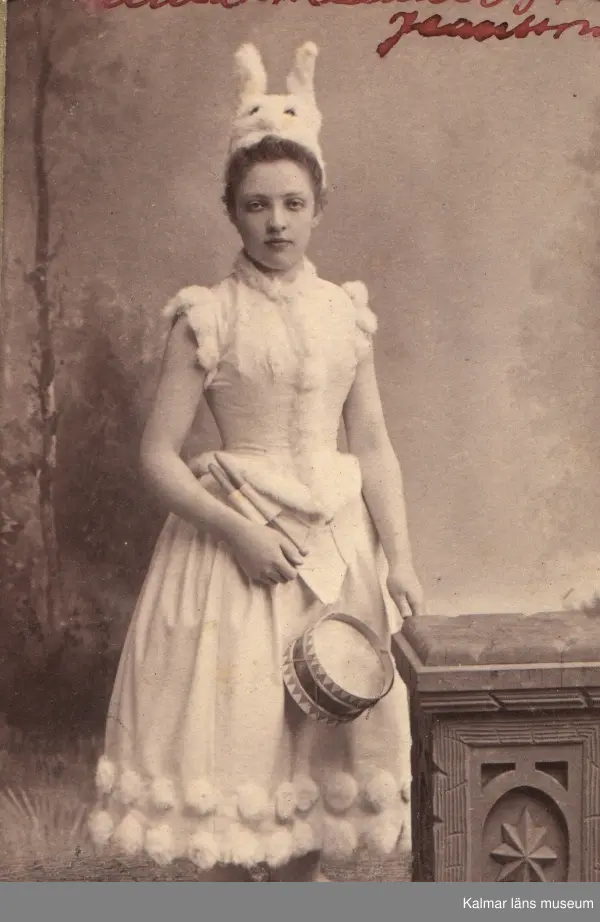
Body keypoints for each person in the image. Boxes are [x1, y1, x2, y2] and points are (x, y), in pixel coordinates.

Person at [88, 41, 425, 883]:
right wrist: (237, 533)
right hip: (236, 556)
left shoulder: (345, 315)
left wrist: (401, 560)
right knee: (243, 760)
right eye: (256, 205)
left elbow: (372, 444)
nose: (276, 222)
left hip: (336, 554)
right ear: (231, 211)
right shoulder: (207, 317)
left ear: (319, 207)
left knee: (314, 770)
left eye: (293, 203)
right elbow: (158, 456)